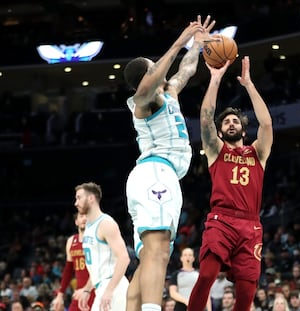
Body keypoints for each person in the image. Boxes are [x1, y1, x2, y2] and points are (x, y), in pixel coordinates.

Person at [122, 15, 216, 311]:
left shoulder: (170, 92)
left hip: (160, 176)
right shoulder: (143, 102)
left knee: (149, 257)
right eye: (154, 66)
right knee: (158, 251)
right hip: (155, 172)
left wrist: (196, 47)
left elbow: (186, 70)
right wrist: (179, 41)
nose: (161, 67)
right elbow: (148, 85)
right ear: (146, 76)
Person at [187, 54, 273, 311]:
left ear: (244, 131)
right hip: (221, 220)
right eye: (226, 122)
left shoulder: (257, 153)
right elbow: (205, 118)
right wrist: (215, 79)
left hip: (250, 225)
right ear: (221, 132)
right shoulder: (216, 151)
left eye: (235, 120)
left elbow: (267, 123)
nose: (231, 123)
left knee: (247, 292)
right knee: (206, 276)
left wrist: (249, 85)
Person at [74, 182, 130, 311]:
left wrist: (110, 290)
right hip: (101, 286)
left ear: (91, 198)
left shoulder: (106, 224)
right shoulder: (88, 227)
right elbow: (96, 266)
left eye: (79, 198)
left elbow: (124, 258)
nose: (76, 203)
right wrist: (87, 290)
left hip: (114, 286)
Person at [51, 212, 95, 311]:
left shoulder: (96, 239)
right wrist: (60, 294)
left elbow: (100, 268)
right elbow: (68, 270)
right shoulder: (71, 241)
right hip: (79, 292)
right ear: (76, 222)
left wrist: (87, 289)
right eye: (81, 216)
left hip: (95, 290)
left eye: (87, 216)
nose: (84, 219)